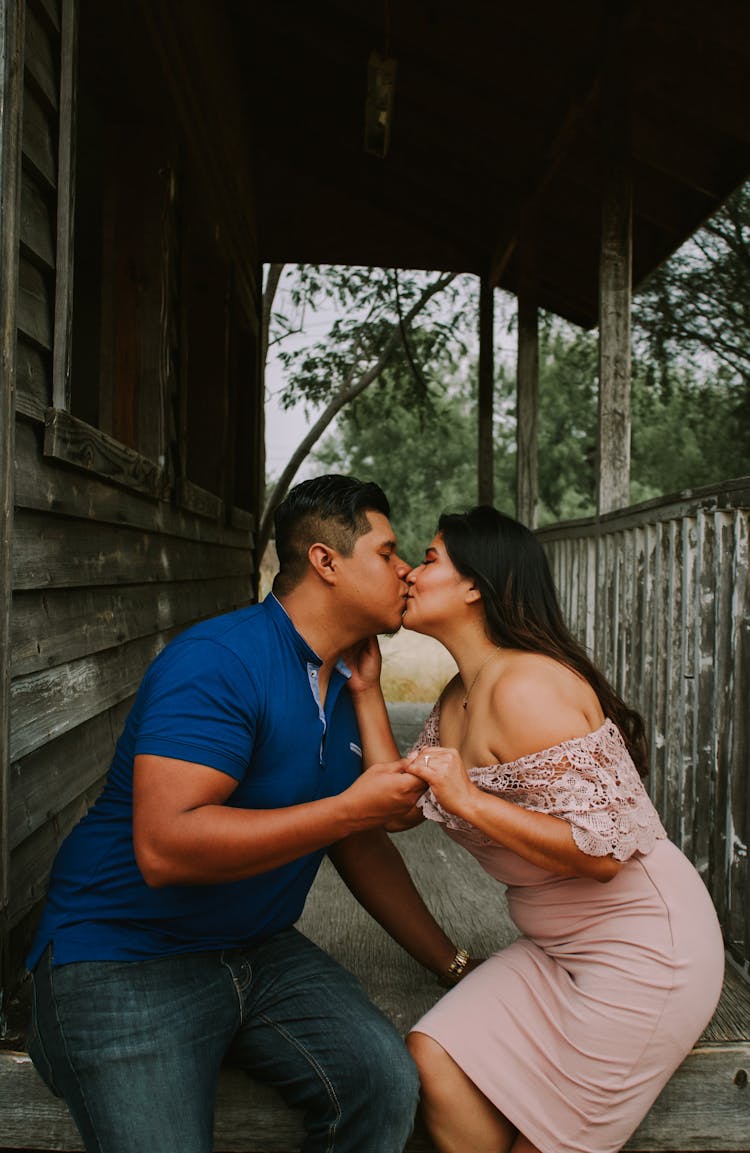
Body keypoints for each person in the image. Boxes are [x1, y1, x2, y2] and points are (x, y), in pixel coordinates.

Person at [25, 474, 467, 1153]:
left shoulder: (346, 678)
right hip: (123, 955)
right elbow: (167, 846)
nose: (404, 568)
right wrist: (345, 808)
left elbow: (361, 839)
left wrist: (451, 962)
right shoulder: (220, 661)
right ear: (326, 561)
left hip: (255, 950)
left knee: (384, 1081)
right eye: (387, 551)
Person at [394, 505, 725, 1153]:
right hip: (556, 949)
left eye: (429, 558)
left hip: (647, 954)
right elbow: (398, 802)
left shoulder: (528, 686)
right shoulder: (457, 695)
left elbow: (602, 854)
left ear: (474, 584)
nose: (409, 570)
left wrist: (471, 799)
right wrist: (362, 685)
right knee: (433, 1053)